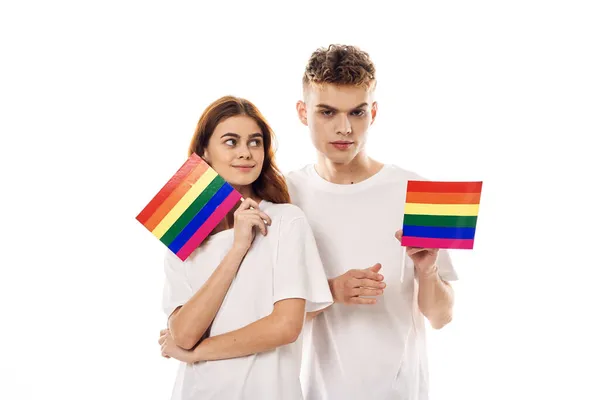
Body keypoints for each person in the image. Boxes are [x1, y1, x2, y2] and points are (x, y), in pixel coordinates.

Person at [286, 44, 458, 400]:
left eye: (357, 112)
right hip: (315, 392)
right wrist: (330, 292)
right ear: (303, 112)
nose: (344, 128)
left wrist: (427, 272)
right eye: (327, 112)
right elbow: (260, 309)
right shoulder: (284, 194)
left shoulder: (423, 190)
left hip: (403, 391)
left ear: (374, 112)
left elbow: (442, 317)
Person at [157, 95, 333, 400]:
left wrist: (195, 353)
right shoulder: (184, 234)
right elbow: (183, 333)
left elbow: (285, 326)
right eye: (230, 142)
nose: (246, 153)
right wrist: (237, 248)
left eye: (255, 142)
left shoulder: (285, 220)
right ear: (205, 152)